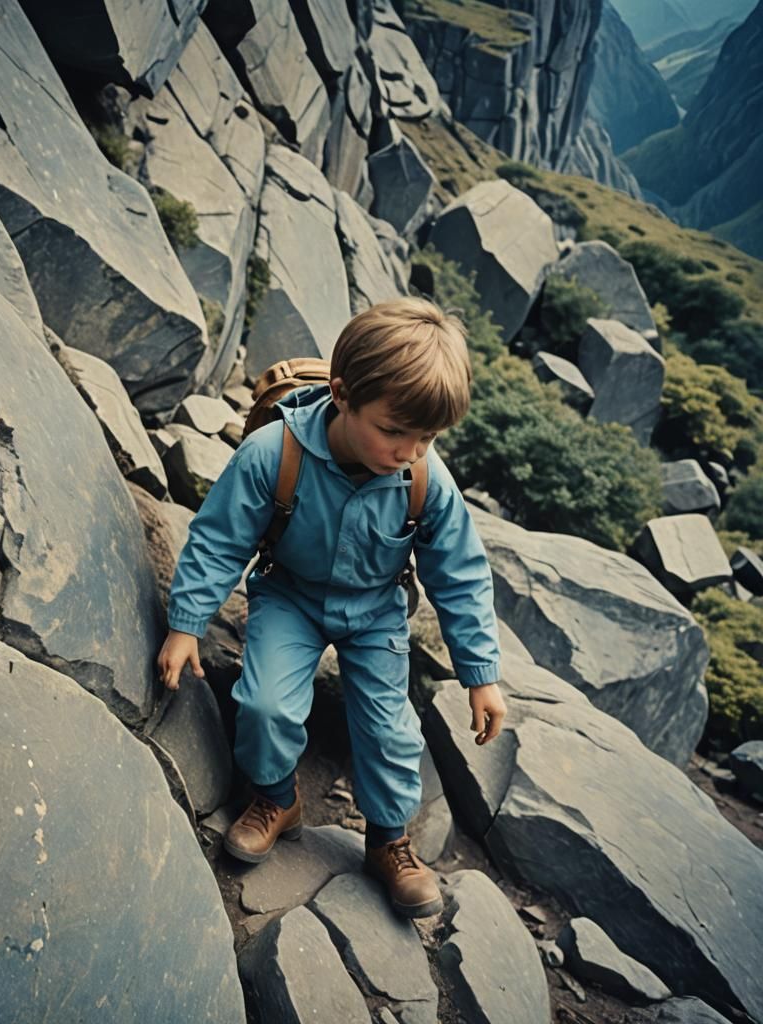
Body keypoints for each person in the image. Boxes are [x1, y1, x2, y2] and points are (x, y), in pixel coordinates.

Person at [158, 297, 506, 918]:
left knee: (390, 730)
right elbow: (220, 538)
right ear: (342, 396)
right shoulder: (275, 453)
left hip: (375, 611)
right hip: (290, 593)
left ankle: (388, 841)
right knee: (264, 703)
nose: (409, 450)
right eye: (394, 430)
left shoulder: (425, 479)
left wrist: (480, 676)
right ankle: (276, 798)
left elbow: (460, 574)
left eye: (426, 437)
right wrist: (186, 623)